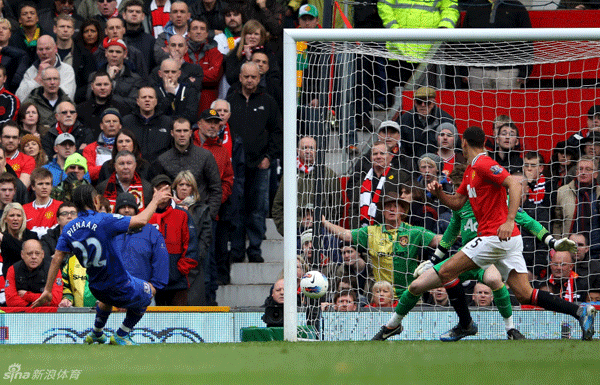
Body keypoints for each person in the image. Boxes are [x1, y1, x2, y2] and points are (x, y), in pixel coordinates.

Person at [372, 125, 597, 342]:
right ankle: (579, 311)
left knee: (430, 279)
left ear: (464, 142)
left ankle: (394, 325)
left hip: (493, 238)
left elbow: (514, 185)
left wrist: (509, 220)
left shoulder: (482, 163)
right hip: (504, 241)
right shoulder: (471, 170)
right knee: (524, 294)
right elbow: (458, 203)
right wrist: (440, 194)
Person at [32, 183, 172, 345]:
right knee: (149, 292)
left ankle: (97, 332)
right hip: (119, 284)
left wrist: (48, 290)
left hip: (96, 288)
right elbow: (141, 220)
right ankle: (122, 334)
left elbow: (56, 258)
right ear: (96, 200)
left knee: (106, 301)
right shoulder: (104, 220)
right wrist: (155, 201)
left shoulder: (69, 228)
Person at [323, 192, 442, 299]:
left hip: (410, 297)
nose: (391, 209)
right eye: (387, 206)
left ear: (402, 211)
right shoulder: (371, 232)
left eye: (395, 206)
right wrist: (324, 222)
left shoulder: (414, 232)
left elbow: (437, 240)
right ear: (383, 211)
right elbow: (346, 234)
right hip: (382, 299)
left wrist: (459, 232)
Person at [378, 0, 458, 105]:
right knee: (399, 100)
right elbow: (384, 5)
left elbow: (450, 6)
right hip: (400, 51)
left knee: (427, 100)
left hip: (429, 52)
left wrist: (444, 27)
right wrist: (394, 28)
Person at [152, 117, 222, 220]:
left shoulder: (205, 156)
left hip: (200, 215)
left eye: (185, 131)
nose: (182, 134)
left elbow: (216, 188)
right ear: (172, 133)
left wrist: (209, 215)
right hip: (171, 216)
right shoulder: (163, 160)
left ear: (190, 133)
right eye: (178, 131)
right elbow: (157, 190)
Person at [272, 135, 341, 235]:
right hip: (295, 232)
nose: (308, 151)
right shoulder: (289, 175)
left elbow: (337, 207)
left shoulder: (329, 175)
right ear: (298, 151)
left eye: (311, 148)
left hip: (321, 232)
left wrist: (326, 227)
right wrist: (286, 229)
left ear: (317, 151)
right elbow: (277, 205)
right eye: (304, 148)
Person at [148, 174, 200, 306]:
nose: (163, 193)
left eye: (166, 189)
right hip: (151, 282)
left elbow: (192, 246)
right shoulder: (145, 215)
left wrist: (179, 270)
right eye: (159, 189)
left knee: (179, 321)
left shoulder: (182, 214)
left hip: (178, 283)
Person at [461, 0, 532, 89]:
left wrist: (524, 72)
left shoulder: (517, 7)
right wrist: (464, 70)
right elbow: (465, 41)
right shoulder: (474, 6)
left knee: (507, 103)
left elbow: (527, 41)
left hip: (509, 71)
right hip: (478, 71)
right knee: (477, 103)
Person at [113, 192, 169, 305]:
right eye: (123, 207)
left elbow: (161, 261)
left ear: (136, 209)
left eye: (130, 207)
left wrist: (154, 286)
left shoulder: (151, 232)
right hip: (113, 295)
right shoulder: (110, 232)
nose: (127, 210)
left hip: (144, 294)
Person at [347, 140, 409, 228]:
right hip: (364, 233)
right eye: (375, 154)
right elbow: (353, 208)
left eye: (382, 153)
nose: (378, 157)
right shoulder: (362, 181)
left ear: (390, 157)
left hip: (390, 231)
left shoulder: (401, 177)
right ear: (371, 158)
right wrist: (357, 231)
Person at [553, 156, 600, 254]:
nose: (583, 172)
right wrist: (557, 245)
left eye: (588, 169)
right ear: (576, 171)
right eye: (580, 169)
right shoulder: (563, 192)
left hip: (596, 249)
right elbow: (557, 222)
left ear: (595, 174)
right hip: (569, 249)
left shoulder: (599, 193)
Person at [398, 86, 454, 164]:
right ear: (414, 103)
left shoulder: (446, 120)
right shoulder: (404, 120)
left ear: (434, 103)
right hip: (411, 165)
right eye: (419, 102)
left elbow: (455, 147)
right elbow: (400, 146)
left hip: (439, 164)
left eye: (427, 102)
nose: (423, 105)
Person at [16, 34, 76, 102]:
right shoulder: (31, 70)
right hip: (36, 111)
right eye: (40, 49)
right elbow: (19, 99)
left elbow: (67, 97)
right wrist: (38, 78)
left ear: (55, 49)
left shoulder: (67, 69)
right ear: (37, 51)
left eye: (47, 48)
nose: (44, 52)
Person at [123, 86, 174, 163]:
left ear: (156, 101)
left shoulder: (167, 122)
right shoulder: (127, 121)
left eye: (150, 97)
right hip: (134, 167)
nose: (147, 100)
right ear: (138, 101)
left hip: (160, 168)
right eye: (144, 97)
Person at [88, 39, 143, 110]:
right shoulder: (93, 76)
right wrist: (109, 78)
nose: (114, 55)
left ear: (125, 54)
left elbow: (133, 103)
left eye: (118, 52)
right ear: (106, 53)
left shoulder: (135, 78)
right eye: (111, 51)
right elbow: (90, 98)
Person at [5, 239, 62, 307]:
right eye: (29, 253)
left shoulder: (53, 269)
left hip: (47, 315)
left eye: (37, 253)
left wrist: (27, 295)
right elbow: (10, 301)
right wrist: (37, 305)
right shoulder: (13, 269)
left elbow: (55, 300)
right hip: (22, 314)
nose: (34, 257)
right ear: (22, 254)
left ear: (43, 254)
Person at [52, 14, 96, 103]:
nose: (65, 30)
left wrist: (70, 97)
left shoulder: (85, 54)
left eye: (68, 27)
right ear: (55, 29)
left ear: (73, 31)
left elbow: (89, 83)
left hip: (75, 101)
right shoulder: (45, 51)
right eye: (62, 26)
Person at [76, 71, 131, 138]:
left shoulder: (122, 108)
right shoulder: (81, 109)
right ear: (92, 86)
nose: (102, 88)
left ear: (111, 86)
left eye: (106, 84)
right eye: (99, 85)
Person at [185, 17, 223, 112]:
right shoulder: (182, 51)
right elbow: (180, 75)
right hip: (185, 102)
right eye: (195, 28)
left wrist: (192, 76)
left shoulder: (215, 53)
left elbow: (214, 76)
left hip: (208, 104)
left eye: (202, 29)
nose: (198, 32)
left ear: (206, 34)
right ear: (188, 33)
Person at [82, 107, 122, 182]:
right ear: (101, 126)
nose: (111, 124)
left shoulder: (128, 145)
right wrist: (113, 166)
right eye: (107, 121)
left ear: (120, 125)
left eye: (115, 121)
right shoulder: (90, 148)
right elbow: (89, 173)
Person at [0, 202, 39, 277]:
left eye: (19, 215)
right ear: (5, 219)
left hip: (28, 278)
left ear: (23, 218)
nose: (15, 219)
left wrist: (4, 239)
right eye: (11, 215)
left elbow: (24, 253)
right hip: (6, 279)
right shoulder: (2, 235)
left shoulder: (31, 236)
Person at [154, 59, 198, 123]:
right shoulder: (154, 91)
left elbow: (191, 117)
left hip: (183, 130)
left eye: (173, 72)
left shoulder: (190, 91)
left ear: (179, 73)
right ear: (160, 74)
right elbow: (156, 115)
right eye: (166, 72)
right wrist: (170, 95)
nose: (170, 75)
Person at [23, 167, 62, 238]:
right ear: (33, 187)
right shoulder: (24, 209)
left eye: (47, 184)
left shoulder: (60, 206)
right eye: (40, 184)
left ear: (51, 186)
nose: (44, 187)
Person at [122, 0, 156, 77]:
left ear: (143, 16)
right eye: (131, 11)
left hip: (144, 84)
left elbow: (154, 67)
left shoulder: (151, 41)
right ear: (124, 15)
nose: (134, 14)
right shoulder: (119, 38)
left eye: (137, 12)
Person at [153, 0, 191, 65]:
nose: (178, 15)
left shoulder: (195, 34)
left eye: (182, 12)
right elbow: (158, 58)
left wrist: (170, 52)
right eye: (175, 12)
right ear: (170, 16)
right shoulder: (162, 37)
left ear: (188, 16)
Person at [2, 121, 36, 188]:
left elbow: (21, 188)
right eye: (7, 137)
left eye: (14, 137)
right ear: (0, 139)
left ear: (19, 140)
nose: (11, 140)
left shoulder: (28, 160)